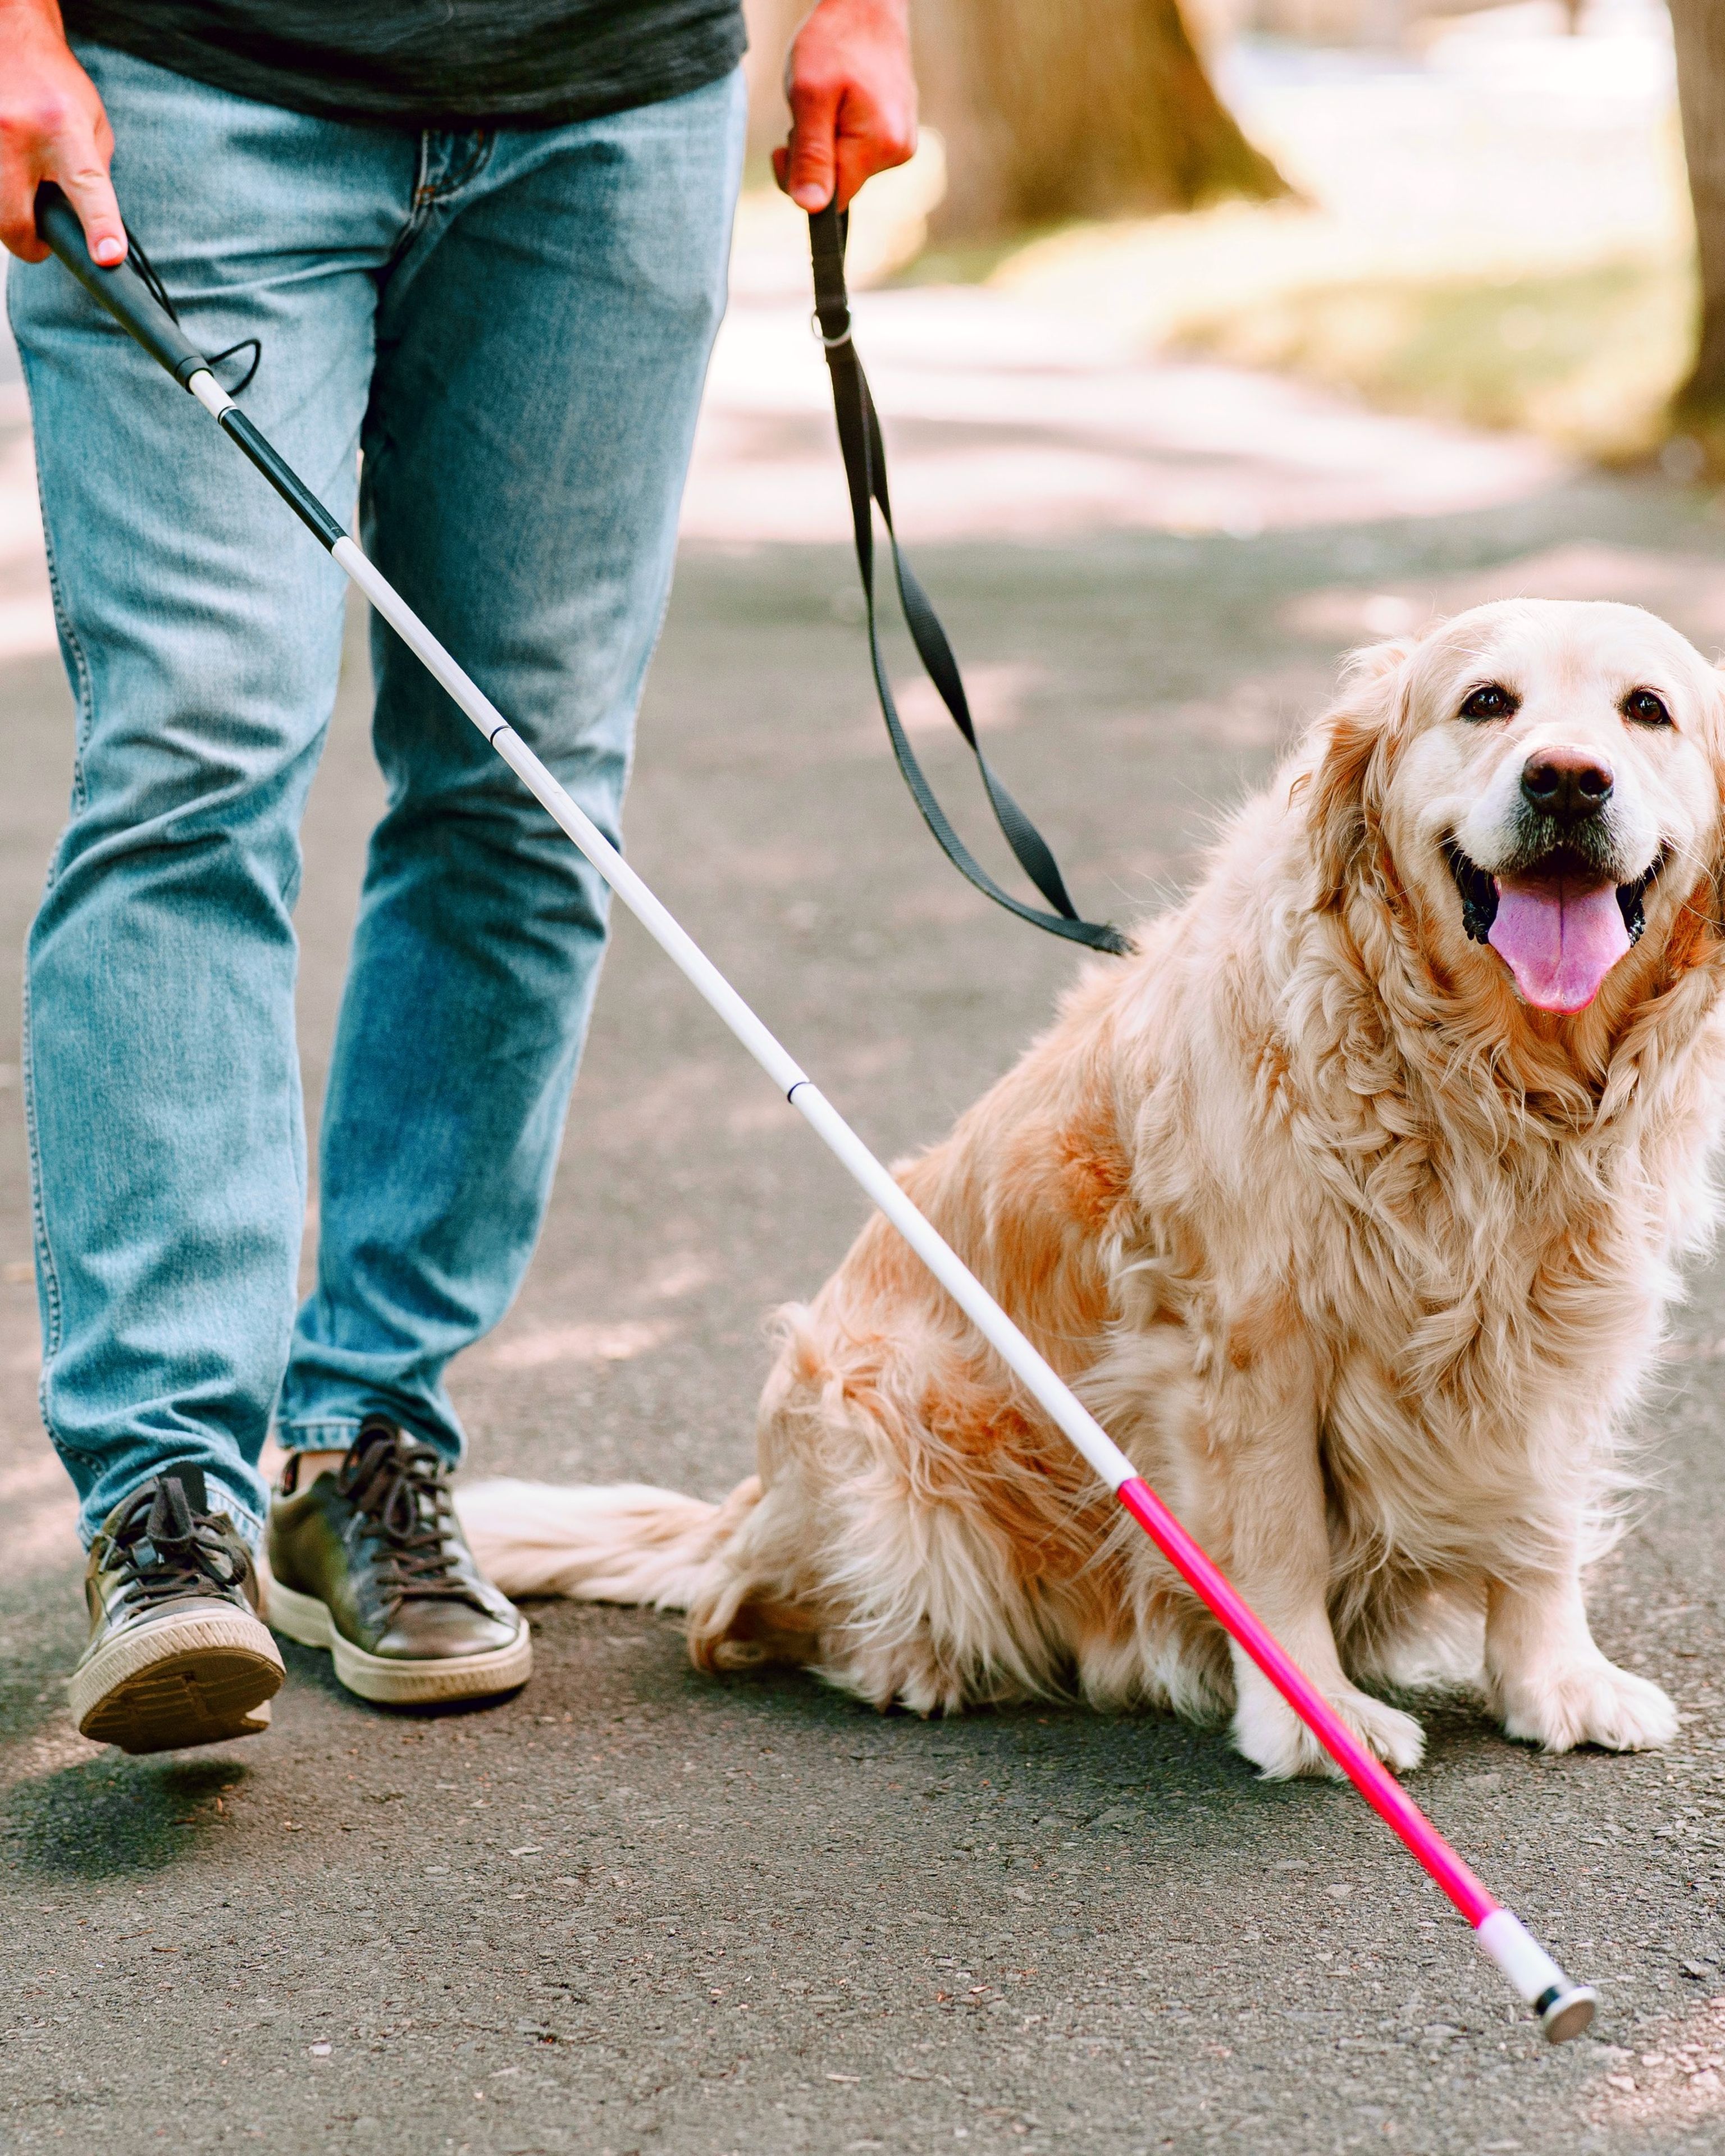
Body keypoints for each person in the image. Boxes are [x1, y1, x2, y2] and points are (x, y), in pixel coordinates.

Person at [0, 0, 915, 1753]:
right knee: (193, 755)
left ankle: (368, 1440)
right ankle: (165, 1499)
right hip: (191, 89)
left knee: (528, 789)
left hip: (609, 109)